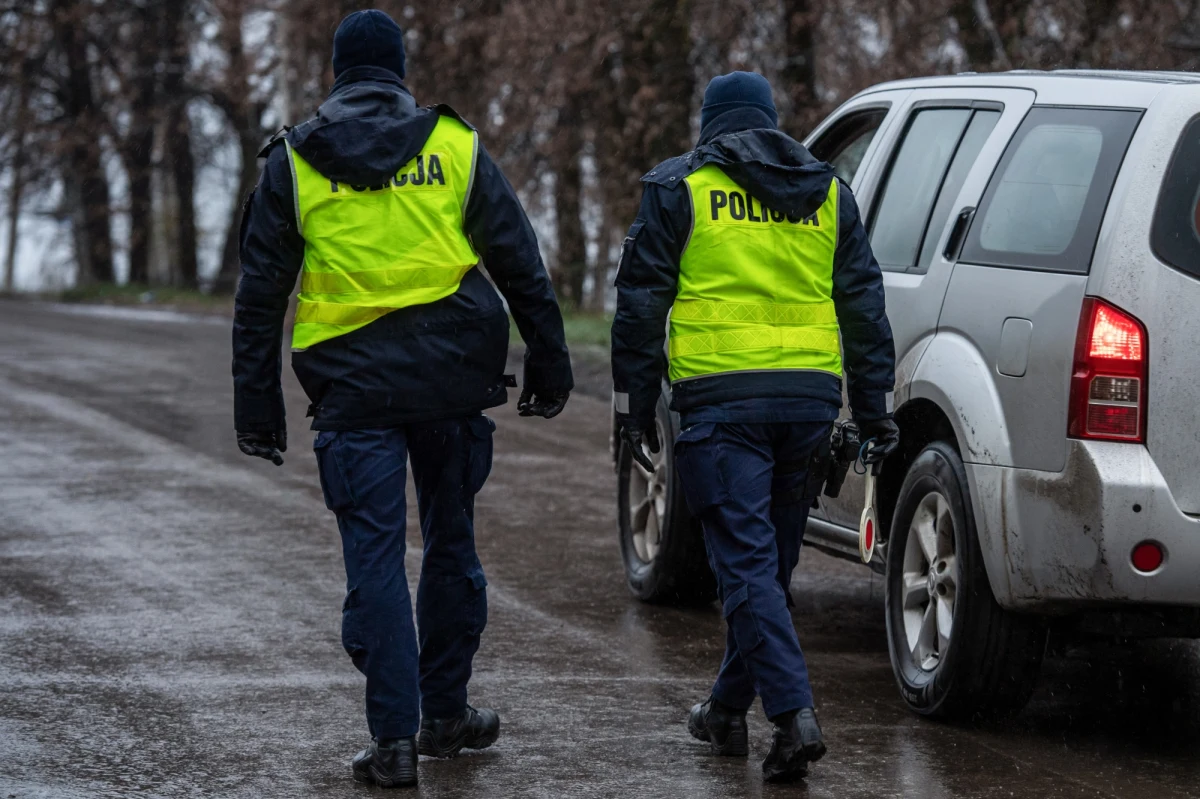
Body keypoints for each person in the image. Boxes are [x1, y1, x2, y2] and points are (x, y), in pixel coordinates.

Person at [232, 9, 573, 789]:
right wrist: (550, 363)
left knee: (376, 561)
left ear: (336, 74)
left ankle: (393, 743)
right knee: (451, 544)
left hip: (354, 393)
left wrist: (258, 408)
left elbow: (259, 299)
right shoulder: (453, 147)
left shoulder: (294, 161)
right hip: (453, 383)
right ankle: (444, 713)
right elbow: (519, 258)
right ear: (401, 70)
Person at [610, 71, 897, 783]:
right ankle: (725, 710)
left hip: (721, 406)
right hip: (806, 408)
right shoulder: (831, 192)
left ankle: (794, 714)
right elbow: (864, 308)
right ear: (772, 124)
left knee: (743, 568)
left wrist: (634, 409)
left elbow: (641, 308)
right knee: (764, 571)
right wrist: (872, 410)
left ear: (712, 124)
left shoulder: (680, 187)